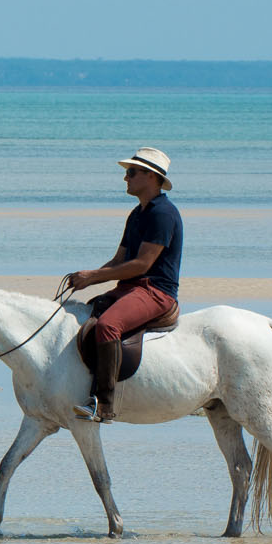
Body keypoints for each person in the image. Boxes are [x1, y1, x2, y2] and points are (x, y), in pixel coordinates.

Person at [59, 148, 183, 422]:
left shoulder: (163, 214)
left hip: (155, 291)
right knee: (86, 314)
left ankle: (103, 405)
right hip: (130, 288)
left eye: (131, 172)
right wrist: (87, 279)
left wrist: (92, 277)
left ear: (151, 176)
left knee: (107, 326)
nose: (125, 178)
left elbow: (141, 265)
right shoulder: (137, 214)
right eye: (127, 173)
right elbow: (119, 259)